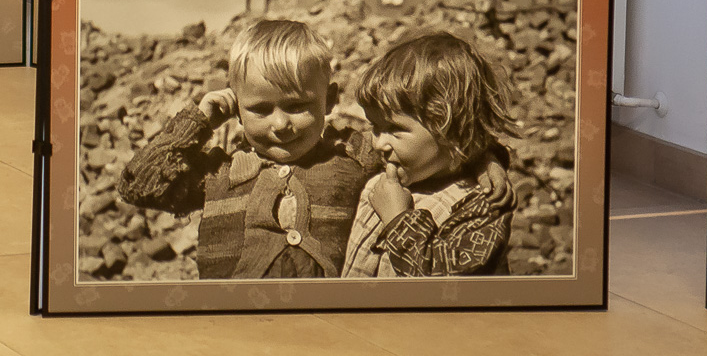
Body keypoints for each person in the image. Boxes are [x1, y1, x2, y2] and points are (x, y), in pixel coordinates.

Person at [118, 19, 371, 279]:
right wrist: (198, 123)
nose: (280, 124)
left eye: (296, 106)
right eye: (260, 109)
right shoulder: (219, 175)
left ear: (329, 99)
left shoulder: (350, 157)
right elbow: (137, 185)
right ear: (237, 108)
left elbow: (398, 148)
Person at [342, 30, 519, 278]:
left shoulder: (481, 208)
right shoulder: (390, 162)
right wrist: (488, 159)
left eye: (394, 129)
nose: (378, 143)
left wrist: (399, 222)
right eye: (375, 126)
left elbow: (447, 286)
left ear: (451, 132)